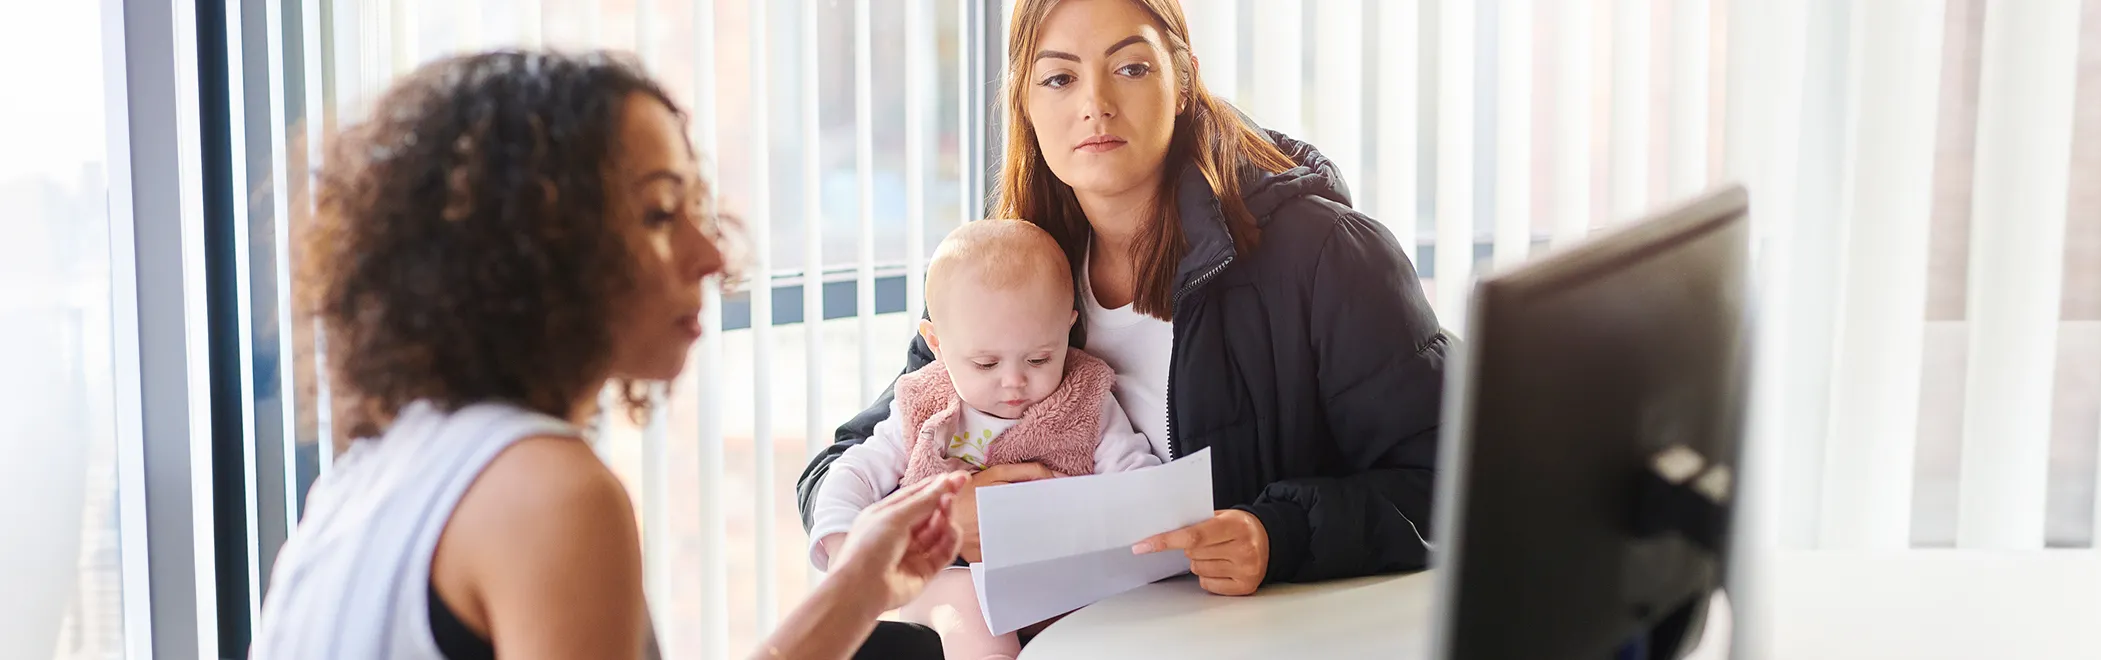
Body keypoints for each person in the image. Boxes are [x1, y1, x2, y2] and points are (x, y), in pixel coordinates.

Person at [251, 50, 969, 660]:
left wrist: (861, 589)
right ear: (534, 251)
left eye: (697, 206)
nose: (712, 253)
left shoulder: (377, 474)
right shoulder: (550, 494)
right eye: (659, 214)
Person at [796, 0, 1445, 611]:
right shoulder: (1006, 274)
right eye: (1058, 79)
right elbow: (848, 464)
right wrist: (946, 513)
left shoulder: (1325, 256)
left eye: (1131, 68)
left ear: (1184, 80)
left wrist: (1279, 534)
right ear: (1024, 101)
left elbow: (1454, 483)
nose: (1095, 105)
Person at [805, 219, 1164, 659]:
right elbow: (853, 471)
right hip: (947, 577)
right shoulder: (924, 404)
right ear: (936, 343)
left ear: (1067, 329)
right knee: (969, 610)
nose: (1014, 382)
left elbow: (1139, 482)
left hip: (1058, 581)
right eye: (985, 364)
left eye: (1038, 357)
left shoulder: (1084, 399)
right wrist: (847, 550)